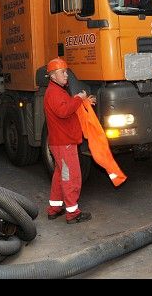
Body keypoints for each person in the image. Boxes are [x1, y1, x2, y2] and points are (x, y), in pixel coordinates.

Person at [44, 57, 96, 224]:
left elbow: (67, 108)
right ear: (53, 76)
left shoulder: (56, 91)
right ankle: (72, 213)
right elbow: (64, 111)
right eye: (62, 73)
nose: (66, 75)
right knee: (71, 177)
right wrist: (79, 98)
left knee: (60, 174)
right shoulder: (54, 93)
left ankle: (54, 208)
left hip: (61, 142)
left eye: (66, 72)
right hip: (63, 143)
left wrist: (83, 101)